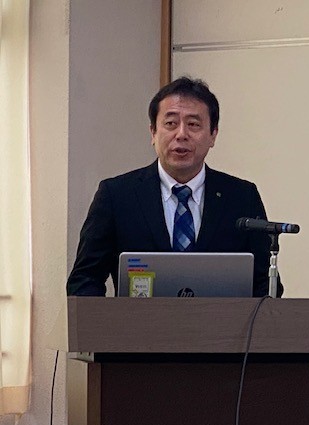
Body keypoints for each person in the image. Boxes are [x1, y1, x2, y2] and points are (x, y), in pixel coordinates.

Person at [67, 76, 282, 297]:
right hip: (138, 320)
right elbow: (84, 279)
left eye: (193, 125)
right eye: (170, 124)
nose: (181, 135)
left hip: (221, 320)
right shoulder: (116, 195)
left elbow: (266, 285)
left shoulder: (241, 197)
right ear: (153, 132)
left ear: (213, 135)